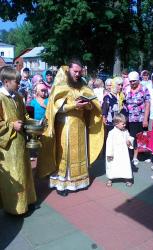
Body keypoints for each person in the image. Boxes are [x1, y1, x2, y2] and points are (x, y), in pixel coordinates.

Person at [37, 59, 104, 196]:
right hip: (65, 126)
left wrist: (88, 104)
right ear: (69, 70)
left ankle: (79, 181)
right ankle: (62, 184)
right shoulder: (60, 85)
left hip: (80, 124)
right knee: (65, 155)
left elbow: (93, 103)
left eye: (80, 72)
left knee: (80, 152)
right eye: (75, 71)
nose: (78, 74)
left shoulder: (83, 85)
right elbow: (55, 107)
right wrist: (74, 105)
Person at [0, 66, 36, 214]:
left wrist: (34, 123)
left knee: (24, 171)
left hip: (20, 141)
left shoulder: (18, 96)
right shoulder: (0, 98)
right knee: (14, 174)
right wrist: (11, 125)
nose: (19, 84)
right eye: (17, 81)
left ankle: (27, 201)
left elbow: (24, 116)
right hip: (8, 146)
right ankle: (15, 208)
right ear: (6, 81)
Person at [124, 71, 150, 165]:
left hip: (140, 118)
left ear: (138, 80)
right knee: (131, 137)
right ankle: (132, 155)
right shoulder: (126, 89)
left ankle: (139, 156)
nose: (132, 83)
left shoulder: (144, 89)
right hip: (129, 119)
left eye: (134, 81)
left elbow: (147, 104)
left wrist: (145, 119)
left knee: (140, 137)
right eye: (130, 81)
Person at [106, 113, 134, 187]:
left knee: (125, 165)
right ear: (116, 124)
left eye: (125, 124)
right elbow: (109, 144)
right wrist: (109, 154)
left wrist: (129, 141)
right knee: (112, 165)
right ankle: (110, 178)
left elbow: (129, 138)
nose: (124, 125)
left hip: (124, 153)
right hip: (114, 153)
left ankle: (127, 178)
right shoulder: (111, 133)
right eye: (123, 124)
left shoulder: (125, 131)